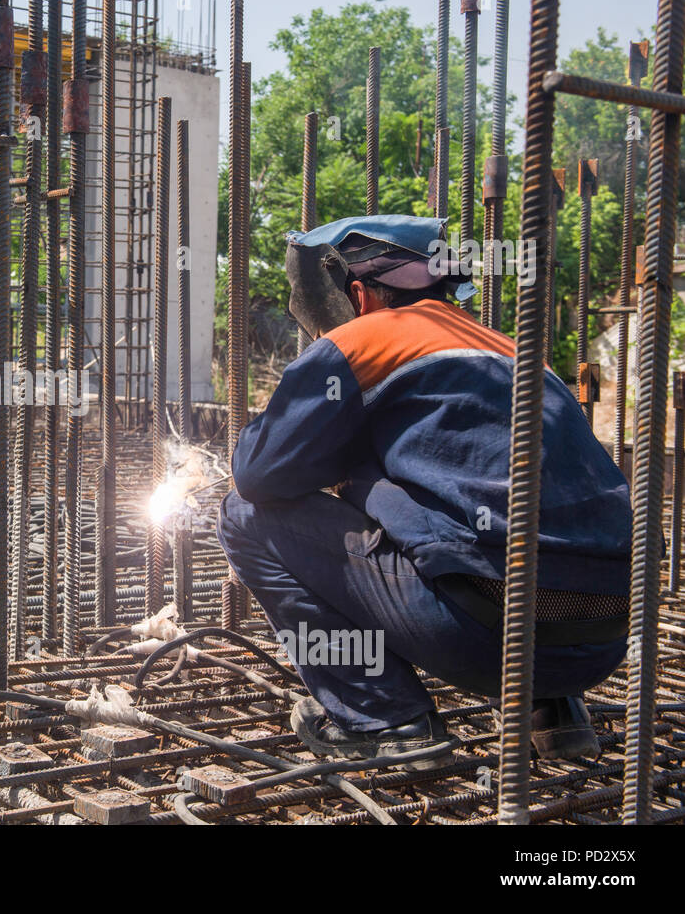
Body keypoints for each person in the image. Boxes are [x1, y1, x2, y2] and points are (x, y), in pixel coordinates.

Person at [218, 215, 631, 767]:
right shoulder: (512, 351)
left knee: (244, 515)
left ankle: (385, 717)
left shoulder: (364, 339)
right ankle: (557, 714)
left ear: (357, 293)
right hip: (601, 642)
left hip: (478, 639)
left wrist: (340, 458)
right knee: (510, 521)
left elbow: (258, 472)